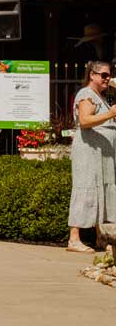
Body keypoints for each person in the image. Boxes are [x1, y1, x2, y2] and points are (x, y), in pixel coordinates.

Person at [67, 60, 116, 252]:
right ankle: (74, 239)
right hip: (88, 153)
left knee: (100, 191)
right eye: (103, 75)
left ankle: (100, 237)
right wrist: (110, 114)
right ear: (92, 75)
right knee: (85, 189)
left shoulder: (99, 96)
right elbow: (85, 121)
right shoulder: (86, 94)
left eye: (109, 75)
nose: (107, 78)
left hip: (101, 155)